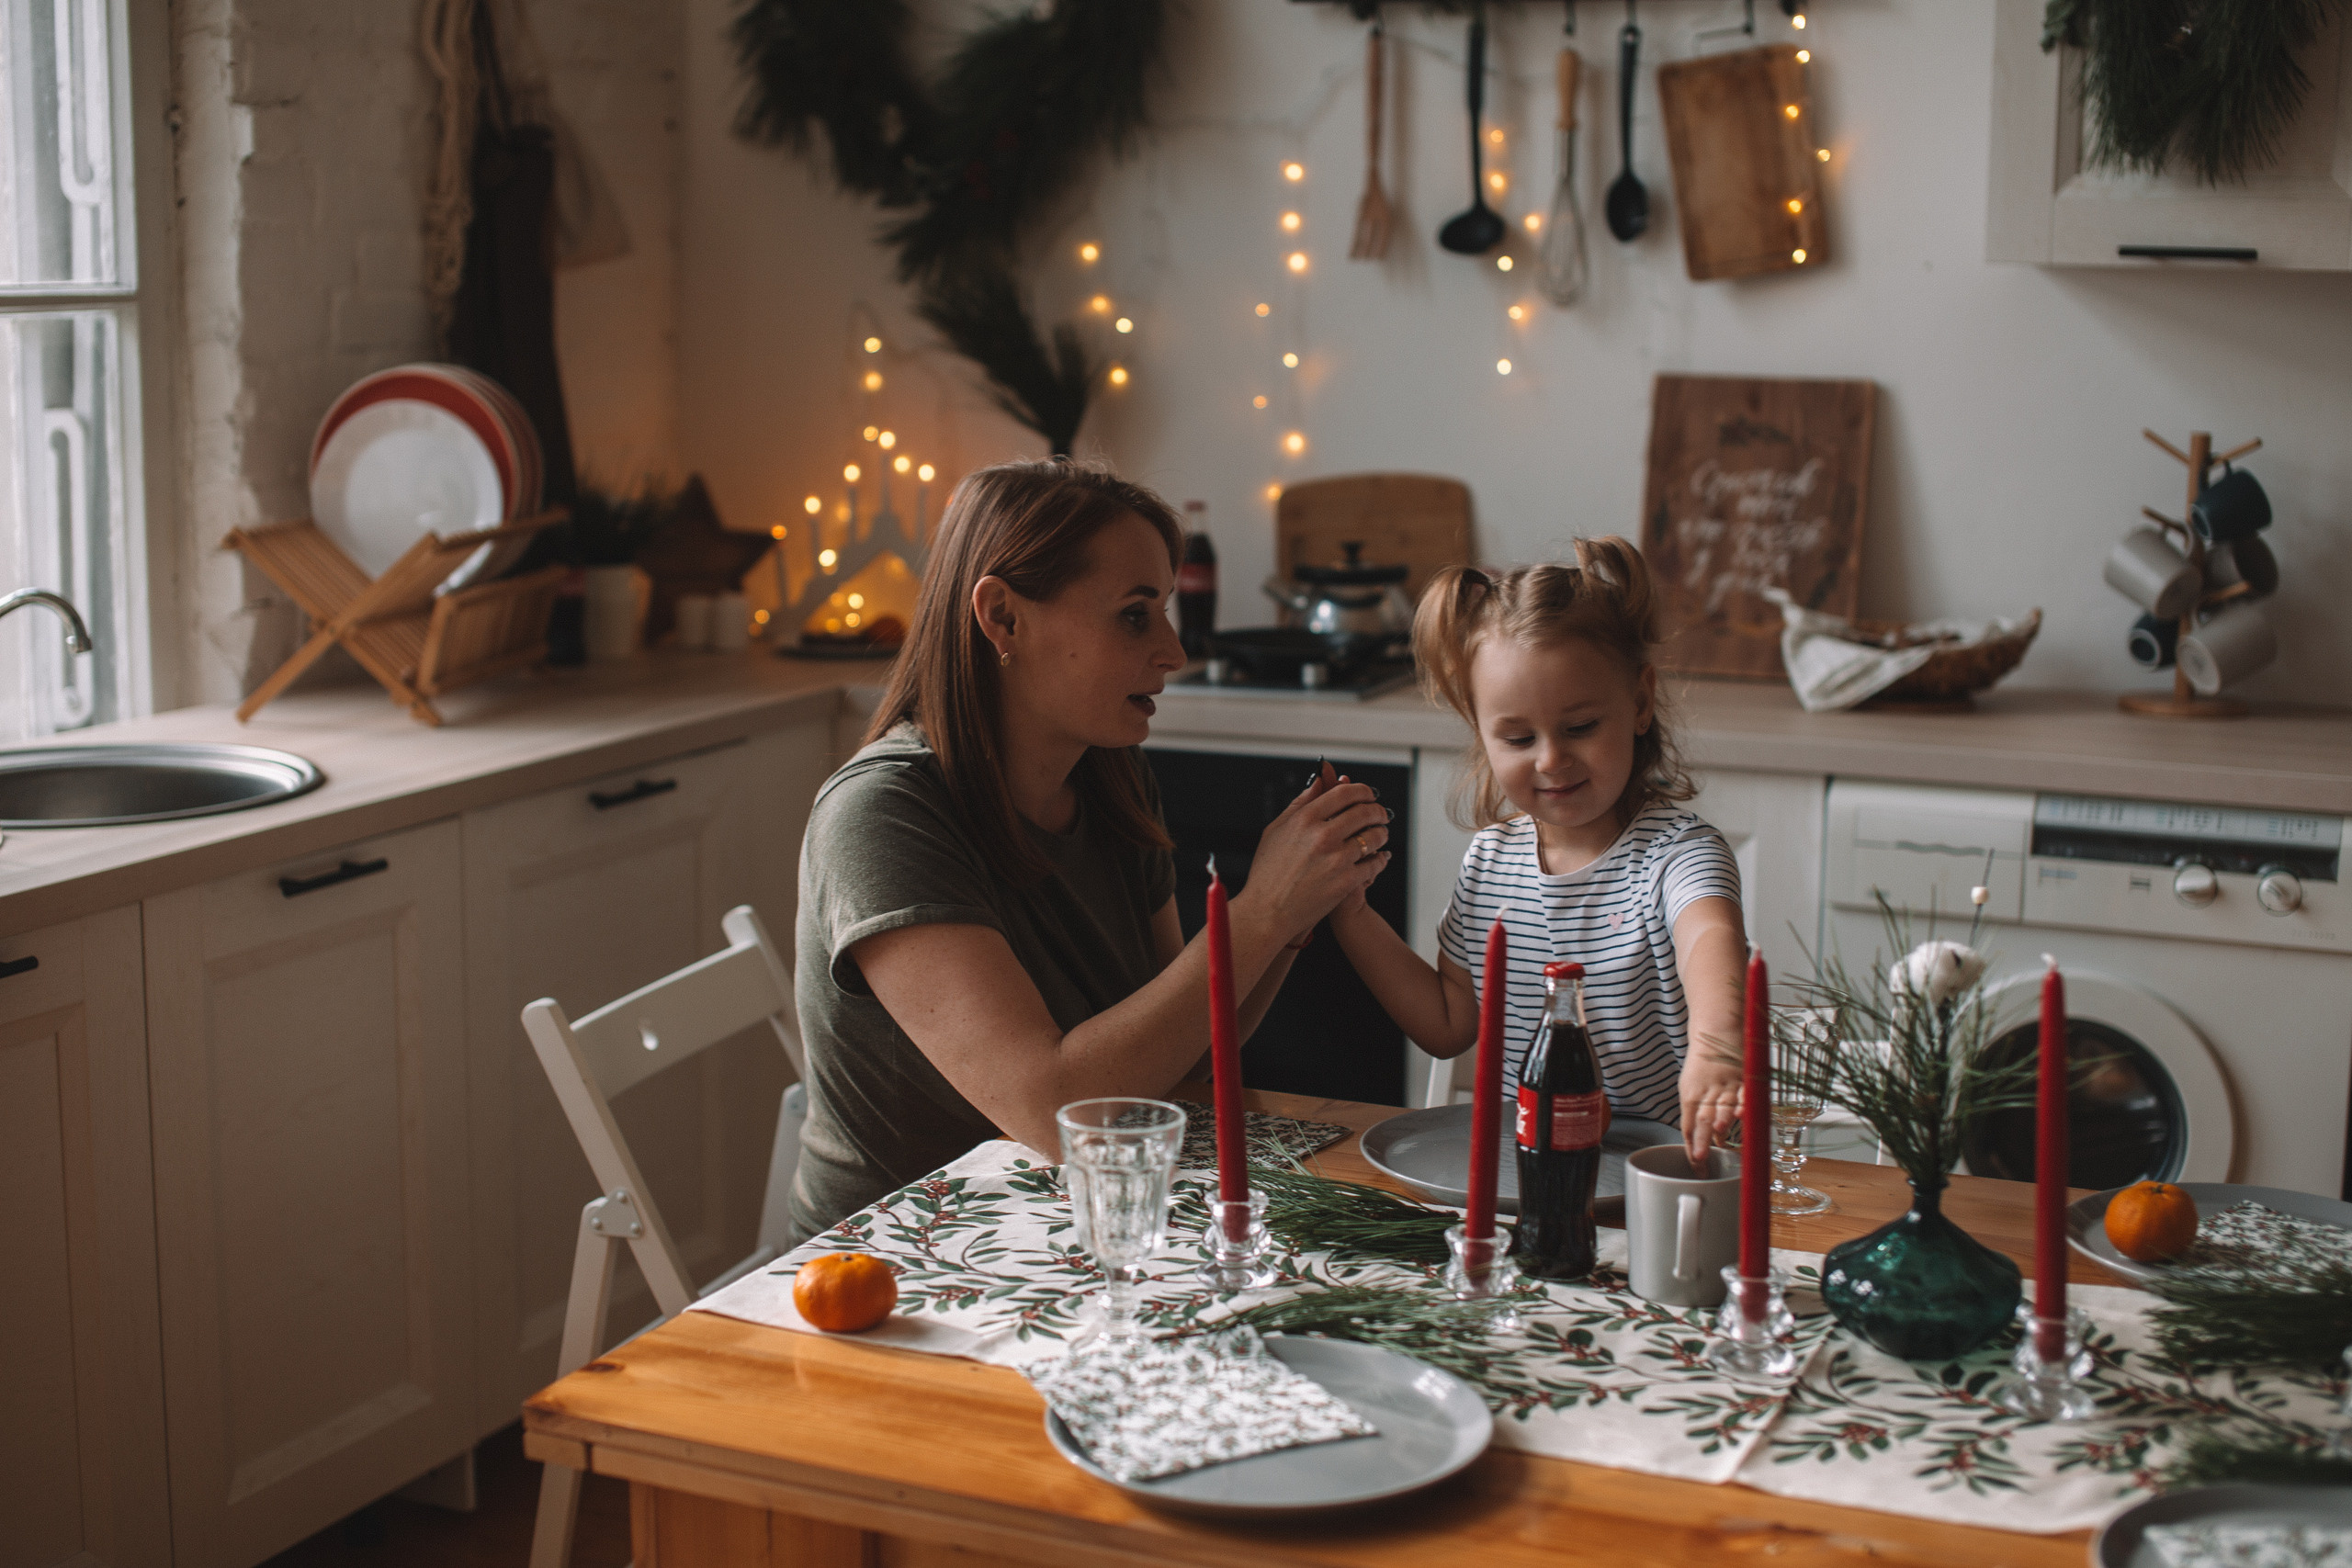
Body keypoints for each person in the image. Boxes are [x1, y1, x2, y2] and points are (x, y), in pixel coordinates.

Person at [790, 459, 1394, 1241]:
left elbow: (1181, 1056)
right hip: (895, 1256)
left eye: (1164, 611)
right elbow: (1055, 1112)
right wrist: (1263, 911)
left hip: (1066, 1215)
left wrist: (1293, 912)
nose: (1173, 651)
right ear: (1003, 618)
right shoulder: (881, 816)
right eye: (1135, 616)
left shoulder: (1110, 777)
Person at [1328, 537, 1747, 1162]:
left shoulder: (1678, 856)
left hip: (1654, 1175)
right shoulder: (1490, 862)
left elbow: (1709, 936)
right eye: (1519, 738)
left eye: (1580, 727)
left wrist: (1718, 1045)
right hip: (1521, 1175)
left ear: (1638, 702)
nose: (1551, 759)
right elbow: (1447, 1023)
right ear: (1481, 732)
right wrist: (1352, 914)